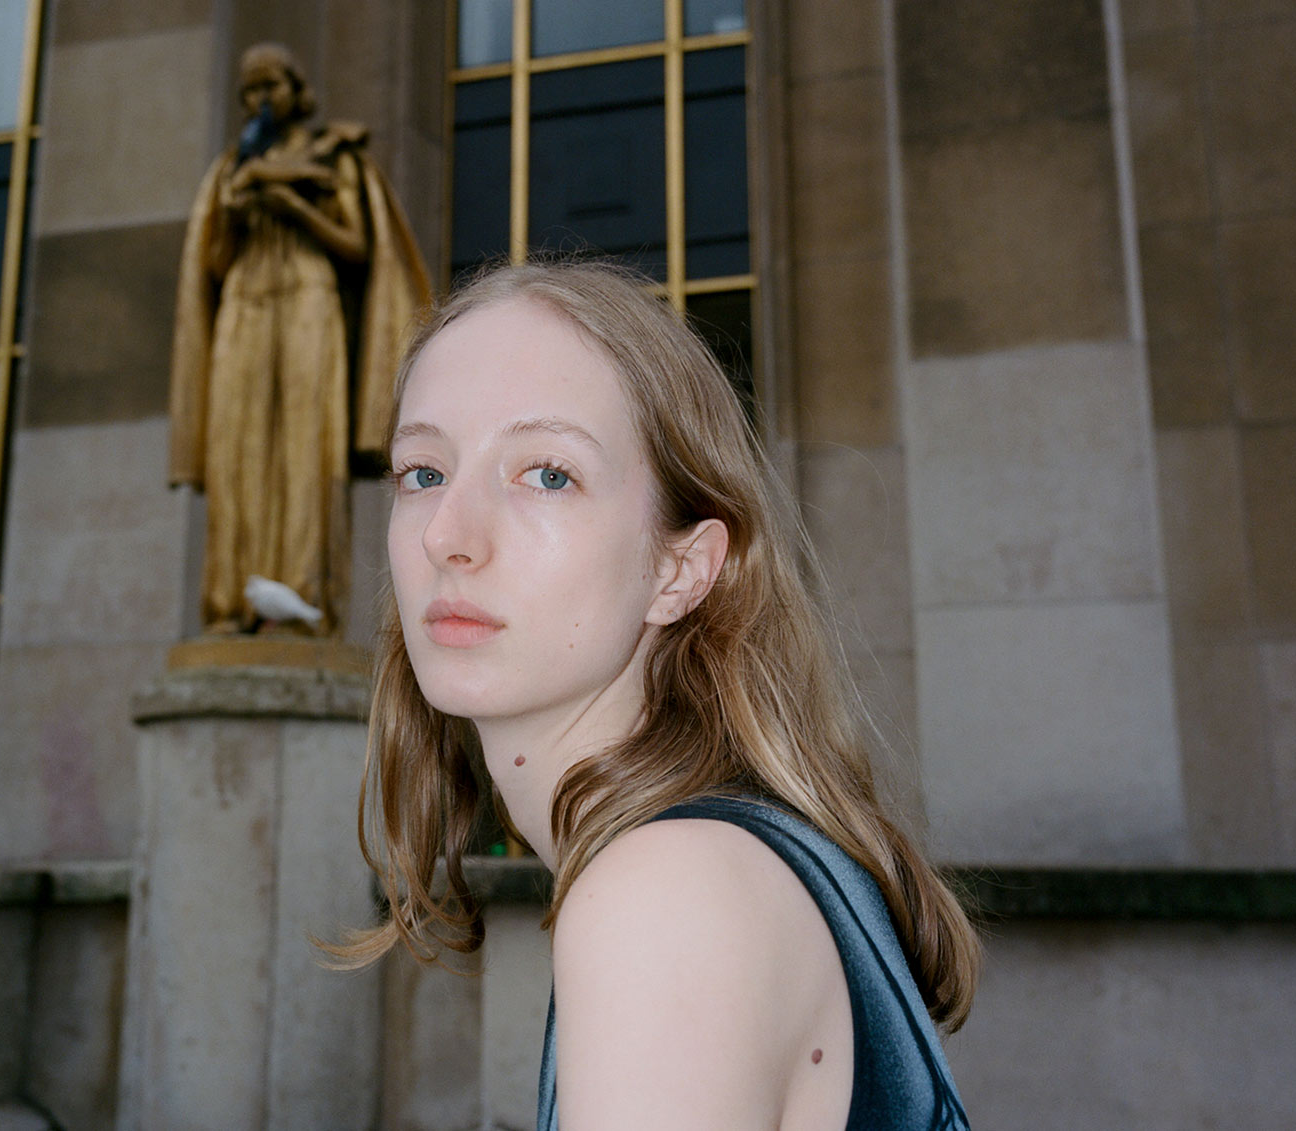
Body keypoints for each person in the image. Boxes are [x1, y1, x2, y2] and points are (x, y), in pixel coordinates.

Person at [332, 260, 980, 1129]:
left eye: (548, 473)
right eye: (422, 472)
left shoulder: (667, 894)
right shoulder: (734, 857)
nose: (447, 534)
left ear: (680, 568)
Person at [169, 42, 429, 634]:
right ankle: (232, 603)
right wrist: (237, 212)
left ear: (296, 89)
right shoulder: (232, 168)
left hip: (310, 301)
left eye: (272, 86)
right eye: (250, 90)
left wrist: (291, 205)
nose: (261, 99)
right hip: (243, 303)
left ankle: (306, 600)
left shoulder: (335, 156)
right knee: (236, 448)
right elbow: (212, 264)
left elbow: (358, 246)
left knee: (306, 448)